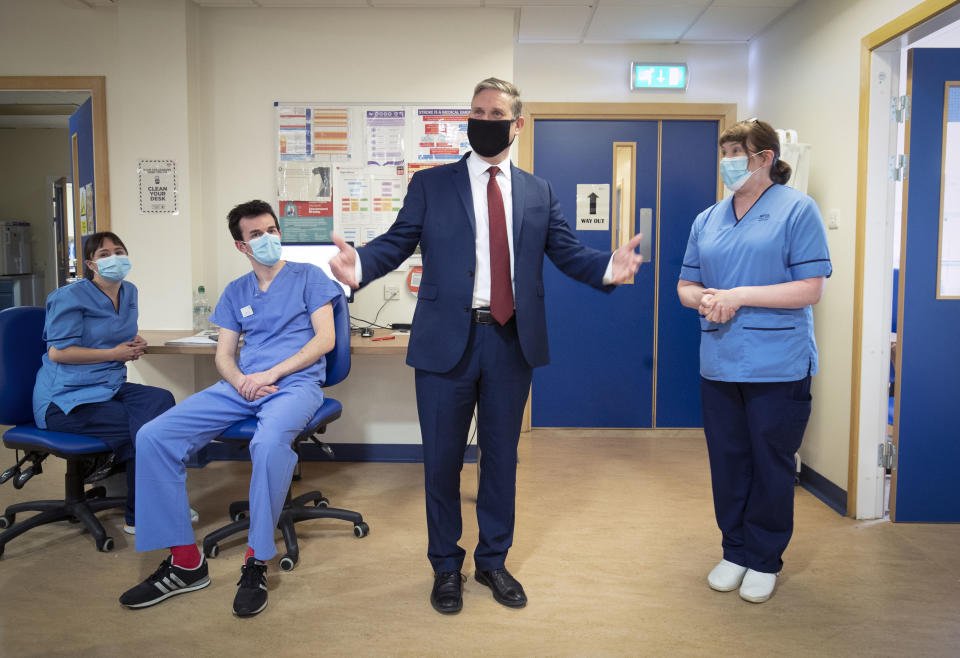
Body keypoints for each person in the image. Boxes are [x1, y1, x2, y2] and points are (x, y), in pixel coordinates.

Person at [329, 78, 643, 614]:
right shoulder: (432, 185)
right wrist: (358, 264)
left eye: (495, 112)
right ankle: (445, 566)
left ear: (516, 124)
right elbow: (398, 241)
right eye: (477, 110)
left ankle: (493, 562)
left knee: (501, 459)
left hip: (510, 341)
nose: (484, 118)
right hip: (444, 343)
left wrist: (608, 267)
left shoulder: (538, 191)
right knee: (442, 461)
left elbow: (567, 252)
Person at [118, 200, 342, 618]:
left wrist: (267, 374)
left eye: (272, 229)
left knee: (269, 443)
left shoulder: (310, 277)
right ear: (242, 246)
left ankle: (256, 561)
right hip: (243, 385)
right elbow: (224, 355)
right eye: (257, 234)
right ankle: (186, 562)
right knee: (153, 435)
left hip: (295, 383)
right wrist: (241, 381)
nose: (268, 238)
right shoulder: (236, 291)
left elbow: (323, 341)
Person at [676, 119, 832, 604]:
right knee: (728, 461)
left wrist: (740, 295)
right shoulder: (708, 218)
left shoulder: (797, 211)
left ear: (765, 157)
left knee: (770, 462)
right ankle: (734, 549)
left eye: (737, 152)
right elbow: (685, 286)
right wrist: (706, 300)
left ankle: (764, 558)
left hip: (778, 363)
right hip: (720, 360)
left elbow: (811, 288)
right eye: (724, 152)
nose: (728, 162)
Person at [32, 231, 176, 535]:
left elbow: (114, 335)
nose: (114, 258)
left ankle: (147, 498)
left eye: (119, 251)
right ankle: (144, 513)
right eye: (104, 254)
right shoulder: (68, 296)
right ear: (91, 264)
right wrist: (113, 352)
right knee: (147, 426)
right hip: (66, 398)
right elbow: (58, 353)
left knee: (161, 402)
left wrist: (133, 343)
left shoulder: (130, 291)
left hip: (107, 387)